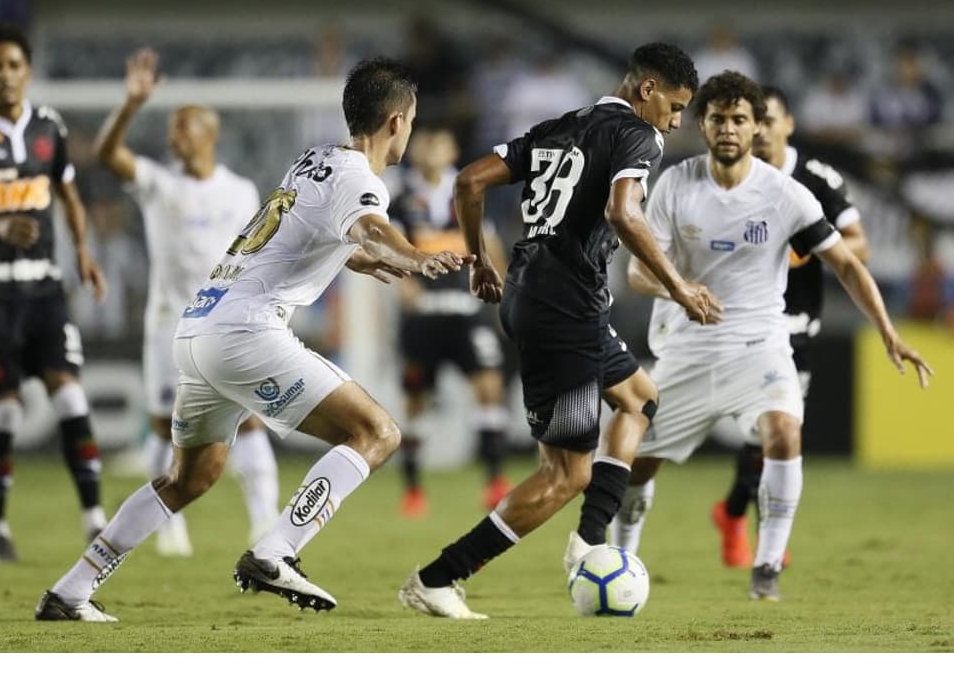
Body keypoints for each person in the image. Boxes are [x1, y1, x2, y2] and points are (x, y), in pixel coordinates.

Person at [35, 56, 472, 622]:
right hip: (246, 331)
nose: (409, 131)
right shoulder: (362, 181)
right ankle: (276, 549)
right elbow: (369, 225)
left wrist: (354, 259)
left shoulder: (315, 160)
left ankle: (70, 590)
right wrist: (412, 256)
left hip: (197, 328)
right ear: (396, 121)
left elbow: (305, 232)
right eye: (411, 120)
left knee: (187, 478)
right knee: (377, 432)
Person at [399, 42, 717, 620]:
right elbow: (624, 211)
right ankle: (438, 577)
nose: (675, 121)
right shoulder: (641, 137)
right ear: (647, 90)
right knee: (565, 475)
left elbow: (469, 182)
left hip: (541, 293)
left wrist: (480, 261)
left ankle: (590, 541)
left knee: (639, 401)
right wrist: (680, 287)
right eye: (674, 106)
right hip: (563, 309)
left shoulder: (560, 126)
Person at [604, 71, 932, 601]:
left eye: (739, 120)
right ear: (701, 124)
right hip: (687, 346)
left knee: (783, 429)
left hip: (761, 344)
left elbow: (846, 262)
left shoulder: (785, 194)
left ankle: (767, 568)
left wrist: (888, 333)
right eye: (718, 119)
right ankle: (621, 557)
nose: (729, 129)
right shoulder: (674, 184)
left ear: (757, 127)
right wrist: (681, 289)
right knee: (641, 462)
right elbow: (638, 273)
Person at [92, 46, 280, 556]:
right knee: (164, 427)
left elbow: (257, 256)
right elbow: (107, 154)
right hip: (167, 326)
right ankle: (168, 524)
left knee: (251, 418)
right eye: (172, 127)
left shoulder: (241, 192)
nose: (173, 136)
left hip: (228, 326)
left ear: (208, 134)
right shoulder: (159, 184)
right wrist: (130, 106)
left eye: (183, 127)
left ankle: (265, 527)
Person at [0, 23, 109, 562]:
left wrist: (83, 252)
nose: (6, 75)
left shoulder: (48, 126)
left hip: (43, 287)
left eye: (14, 65)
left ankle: (95, 520)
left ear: (27, 71)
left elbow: (68, 194)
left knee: (70, 394)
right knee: (5, 411)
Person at [711, 85, 870, 568]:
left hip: (796, 322)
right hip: (740, 321)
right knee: (770, 428)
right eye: (750, 121)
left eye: (768, 120)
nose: (758, 130)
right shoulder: (729, 176)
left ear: (788, 124)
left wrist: (809, 252)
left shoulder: (815, 178)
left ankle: (733, 513)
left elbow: (858, 244)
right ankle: (765, 547)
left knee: (769, 435)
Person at [391, 123, 512, 517]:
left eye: (437, 142)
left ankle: (494, 481)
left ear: (453, 150)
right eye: (424, 143)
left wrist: (503, 293)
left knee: (490, 387)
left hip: (467, 312)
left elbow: (491, 251)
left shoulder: (469, 195)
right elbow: (392, 253)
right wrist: (404, 285)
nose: (430, 150)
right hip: (425, 317)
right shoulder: (403, 201)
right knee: (415, 401)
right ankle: (412, 488)